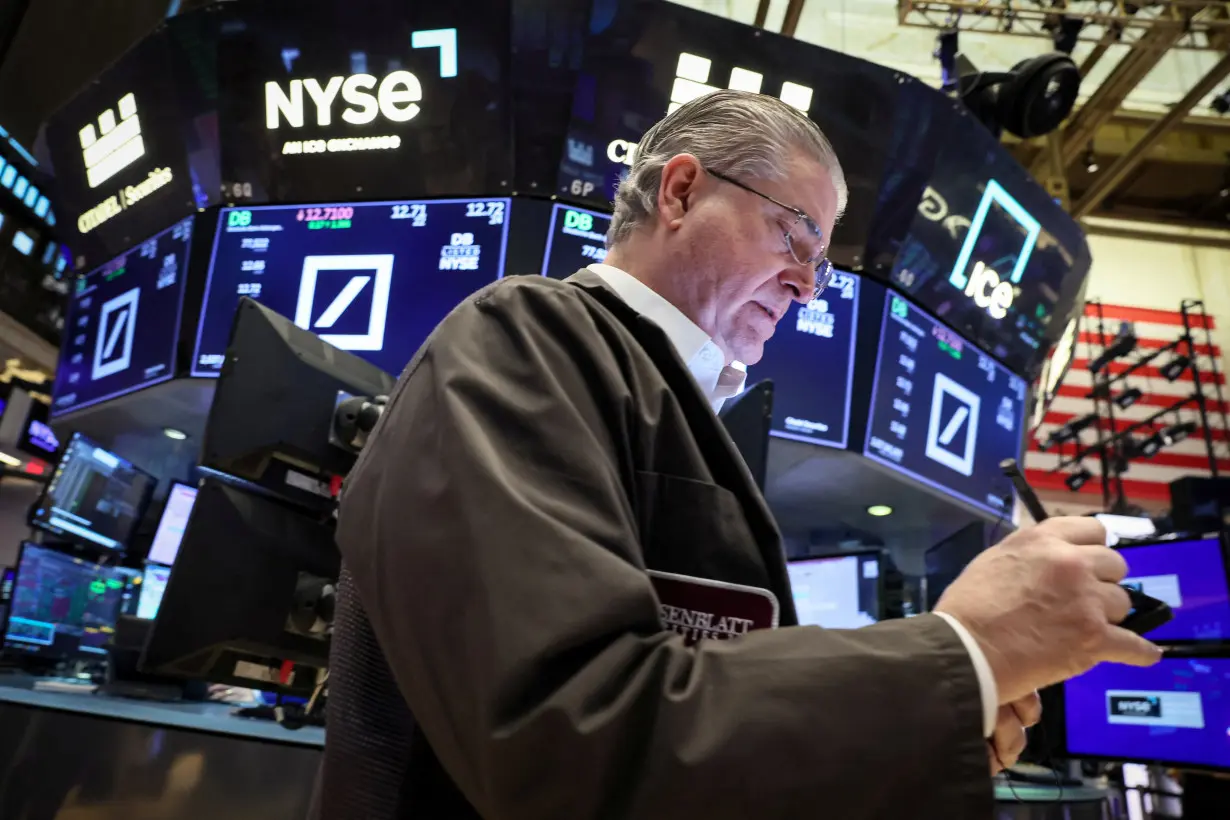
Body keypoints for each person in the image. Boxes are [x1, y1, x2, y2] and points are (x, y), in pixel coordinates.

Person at [311, 89, 1162, 819]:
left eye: (823, 265)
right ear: (681, 191)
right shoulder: (528, 339)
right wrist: (962, 653)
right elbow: (570, 736)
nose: (806, 284)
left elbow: (688, 752)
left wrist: (912, 730)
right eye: (796, 236)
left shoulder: (661, 403)